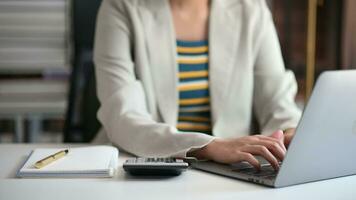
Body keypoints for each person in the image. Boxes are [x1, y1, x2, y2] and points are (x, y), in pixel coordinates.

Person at [93, 0, 301, 170]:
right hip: (143, 168)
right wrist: (207, 146)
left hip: (232, 173)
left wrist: (289, 133)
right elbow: (122, 116)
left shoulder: (251, 11)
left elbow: (278, 103)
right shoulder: (120, 7)